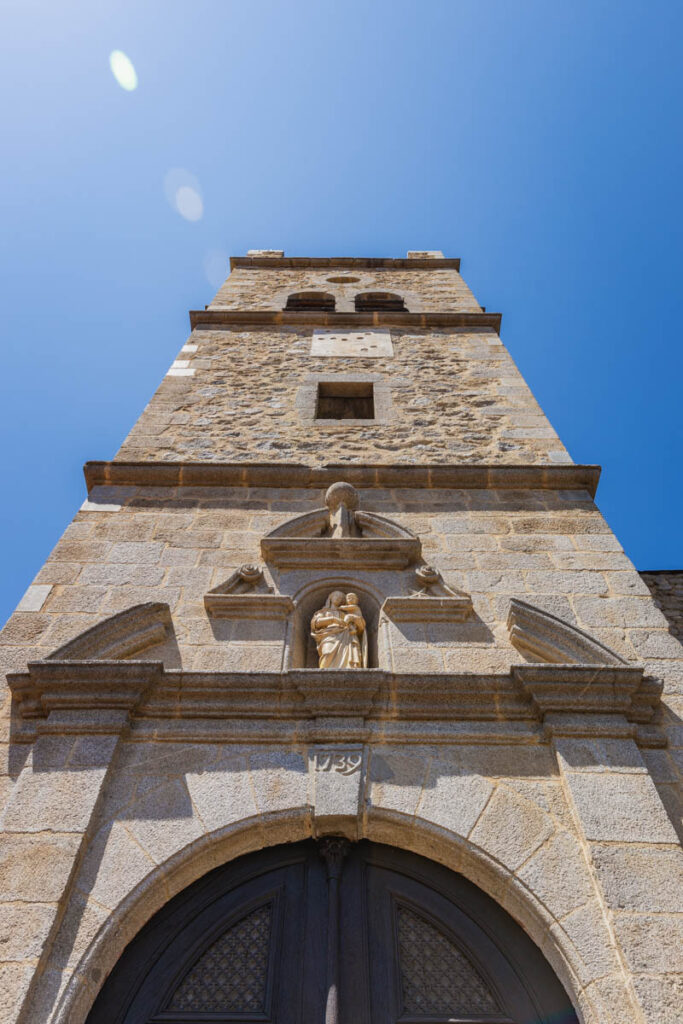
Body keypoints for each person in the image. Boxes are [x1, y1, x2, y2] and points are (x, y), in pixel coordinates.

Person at [311, 590, 368, 669]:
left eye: (341, 598)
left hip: (347, 637)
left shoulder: (345, 613)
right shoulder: (323, 612)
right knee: (327, 653)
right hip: (329, 635)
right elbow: (316, 623)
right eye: (336, 596)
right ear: (330, 598)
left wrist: (354, 618)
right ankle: (324, 675)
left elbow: (361, 628)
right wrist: (333, 620)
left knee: (349, 659)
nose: (339, 599)